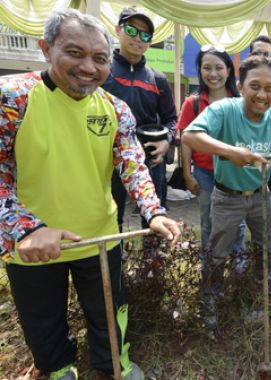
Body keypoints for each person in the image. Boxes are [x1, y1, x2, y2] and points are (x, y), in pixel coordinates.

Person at [0, 9, 181, 379]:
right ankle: (58, 369)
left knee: (110, 312)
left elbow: (132, 165)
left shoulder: (116, 109)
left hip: (99, 236)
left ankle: (115, 364)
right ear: (46, 48)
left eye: (99, 58)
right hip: (31, 246)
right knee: (42, 319)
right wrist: (24, 229)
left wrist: (154, 211)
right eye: (74, 53)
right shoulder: (12, 98)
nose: (88, 67)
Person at [182, 55, 271, 336]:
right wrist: (231, 152)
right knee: (217, 253)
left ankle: (259, 292)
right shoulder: (224, 109)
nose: (262, 94)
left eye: (270, 88)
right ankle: (209, 301)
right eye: (255, 86)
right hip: (226, 197)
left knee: (265, 247)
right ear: (241, 85)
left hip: (260, 195)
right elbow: (190, 136)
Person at [102, 7, 177, 232]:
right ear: (118, 30)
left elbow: (172, 119)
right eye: (132, 30)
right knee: (110, 220)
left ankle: (152, 265)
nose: (138, 38)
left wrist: (166, 141)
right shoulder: (103, 72)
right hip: (106, 159)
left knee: (154, 219)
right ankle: (114, 264)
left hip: (149, 159)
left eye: (145, 35)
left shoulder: (158, 79)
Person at [176, 45, 248, 273]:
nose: (213, 73)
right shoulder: (193, 103)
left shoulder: (241, 101)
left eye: (219, 67)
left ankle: (239, 267)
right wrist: (187, 174)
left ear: (228, 70)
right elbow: (186, 142)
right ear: (199, 70)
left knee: (238, 222)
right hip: (205, 174)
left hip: (235, 174)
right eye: (206, 68)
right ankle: (210, 268)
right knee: (208, 222)